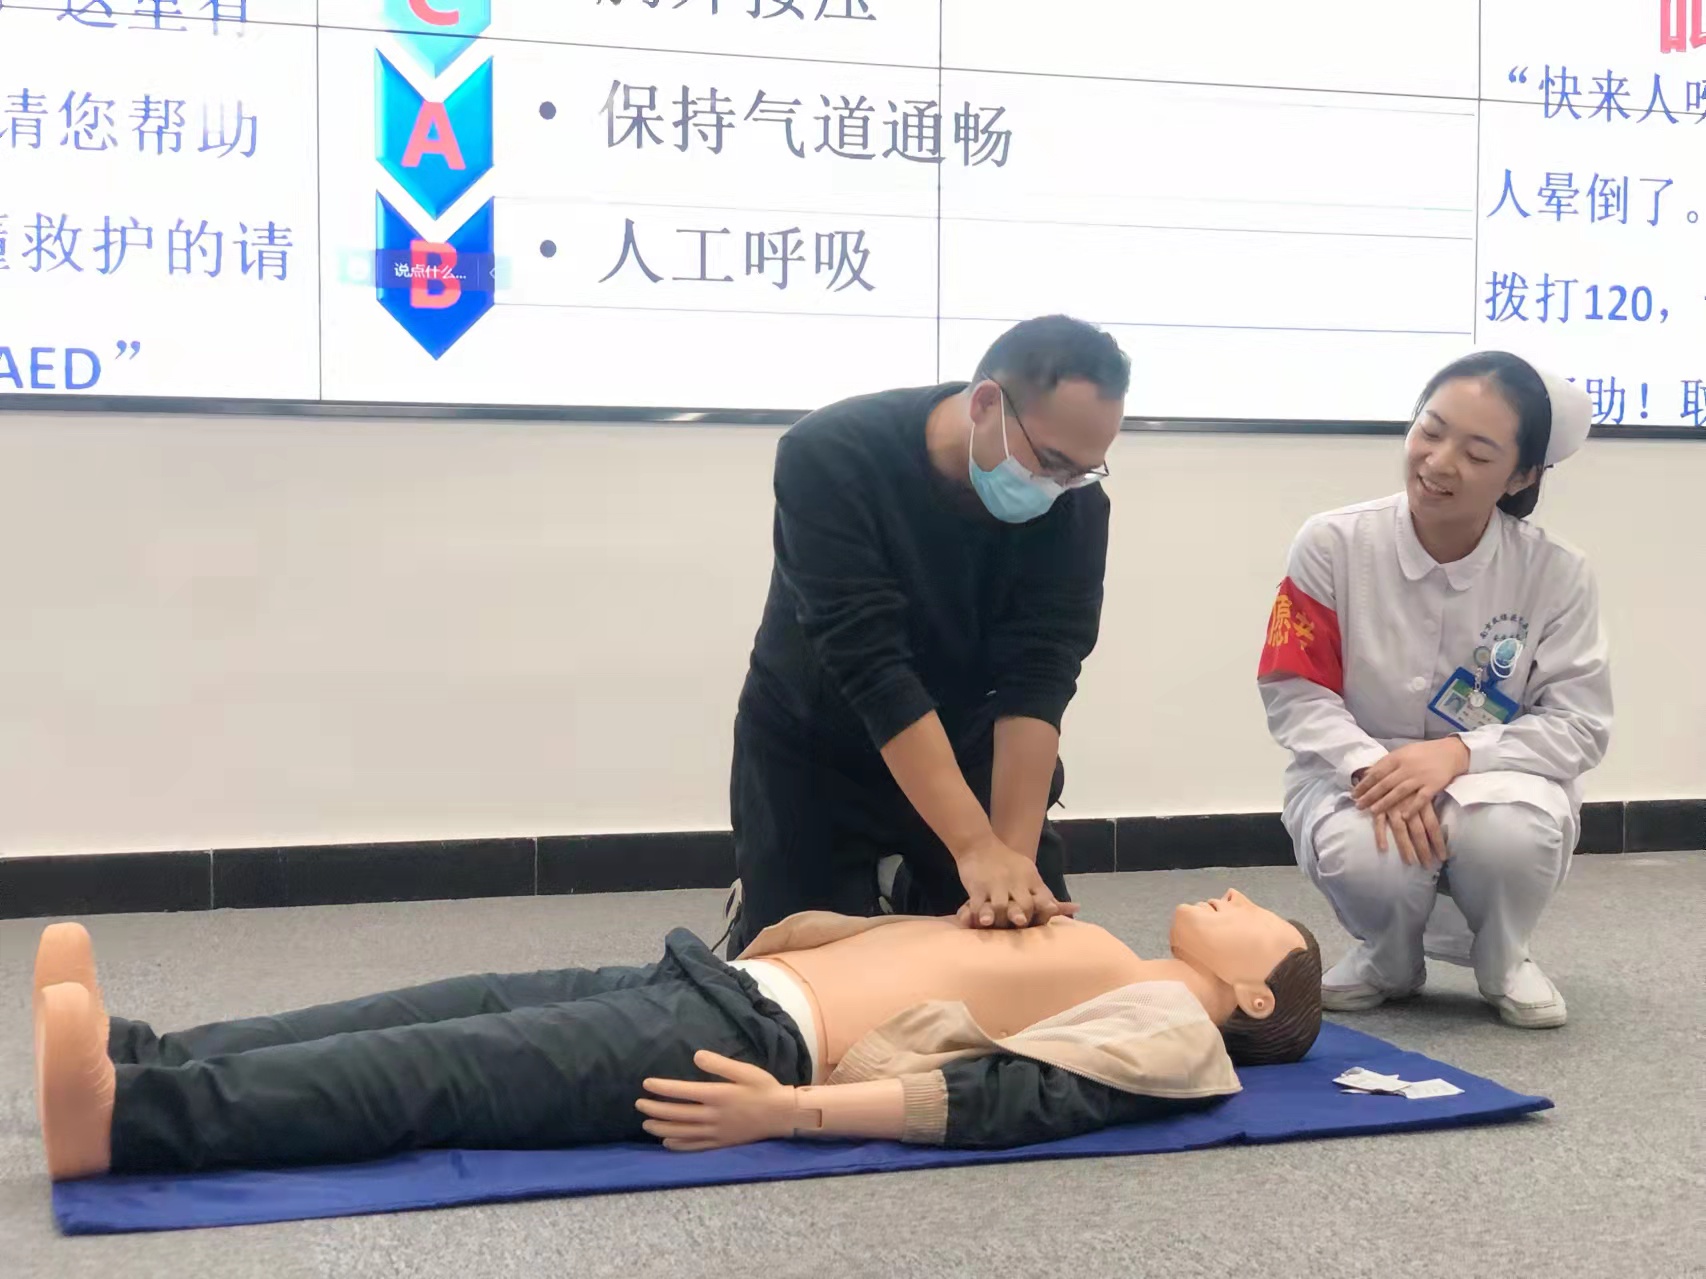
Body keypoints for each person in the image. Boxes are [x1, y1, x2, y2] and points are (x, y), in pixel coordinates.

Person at [31, 890, 1321, 1179]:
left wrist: (790, 1114)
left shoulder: (1177, 1026)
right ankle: (148, 1050)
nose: (1237, 895)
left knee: (438, 1072)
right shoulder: (1111, 948)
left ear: (1255, 996)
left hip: (756, 1047)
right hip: (726, 978)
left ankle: (131, 1119)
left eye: (1261, 921)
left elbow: (1015, 1103)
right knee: (437, 1004)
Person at [726, 315, 1132, 957]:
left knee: (1029, 951)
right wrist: (971, 846)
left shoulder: (1074, 505)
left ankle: (918, 888)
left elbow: (1041, 675)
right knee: (793, 971)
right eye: (1052, 462)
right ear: (985, 403)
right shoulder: (831, 454)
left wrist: (1010, 863)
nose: (1060, 488)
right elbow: (870, 664)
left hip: (965, 738)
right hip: (815, 741)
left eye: (1083, 471)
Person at [1257, 350, 1613, 1030]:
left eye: (1477, 454)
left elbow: (1580, 725)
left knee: (1509, 836)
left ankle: (1504, 957)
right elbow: (1296, 687)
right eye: (1431, 429)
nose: (1439, 462)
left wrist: (1458, 755)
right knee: (1367, 852)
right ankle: (1387, 957)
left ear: (1523, 475)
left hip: (1498, 774)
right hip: (1362, 767)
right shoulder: (1332, 543)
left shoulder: (1557, 573)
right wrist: (1372, 768)